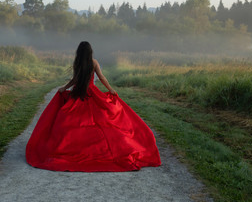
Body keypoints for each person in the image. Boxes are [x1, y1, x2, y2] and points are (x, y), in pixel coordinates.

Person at [26, 41, 161, 172]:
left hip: (79, 94)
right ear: (90, 52)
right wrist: (110, 89)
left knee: (72, 122)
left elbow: (75, 80)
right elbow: (101, 77)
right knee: (103, 120)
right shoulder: (94, 62)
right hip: (92, 93)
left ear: (79, 52)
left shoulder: (77, 63)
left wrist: (64, 88)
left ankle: (72, 147)